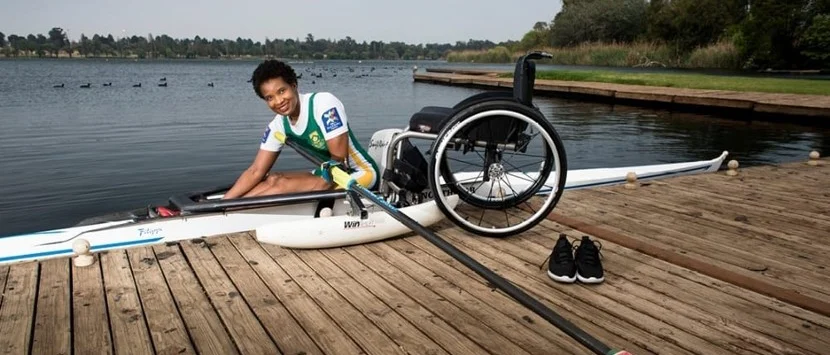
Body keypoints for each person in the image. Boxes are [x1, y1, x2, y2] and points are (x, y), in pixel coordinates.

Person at [223, 60, 379, 199]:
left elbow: (338, 162)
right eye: (270, 98)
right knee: (273, 179)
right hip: (326, 173)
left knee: (281, 185)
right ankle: (227, 209)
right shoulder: (277, 125)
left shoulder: (323, 104)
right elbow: (256, 171)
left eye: (282, 91)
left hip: (357, 173)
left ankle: (234, 212)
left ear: (293, 85)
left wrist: (313, 195)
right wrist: (224, 202)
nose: (278, 101)